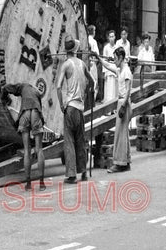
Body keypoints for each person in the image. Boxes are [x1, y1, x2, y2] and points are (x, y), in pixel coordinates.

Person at [56, 35, 94, 184]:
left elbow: (58, 86)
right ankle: (83, 172)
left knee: (69, 141)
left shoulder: (66, 64)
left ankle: (72, 175)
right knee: (81, 140)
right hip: (80, 108)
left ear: (67, 51)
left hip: (70, 107)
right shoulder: (82, 64)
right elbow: (92, 81)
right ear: (76, 50)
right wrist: (86, 92)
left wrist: (61, 104)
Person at [2, 83, 46, 191]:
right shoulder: (37, 93)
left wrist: (5, 99)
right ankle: (41, 183)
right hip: (35, 113)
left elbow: (6, 88)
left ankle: (28, 183)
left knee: (27, 150)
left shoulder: (23, 86)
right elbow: (40, 110)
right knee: (39, 149)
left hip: (25, 113)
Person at [97, 46, 132, 173]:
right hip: (122, 101)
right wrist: (98, 58)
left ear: (121, 58)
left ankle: (119, 163)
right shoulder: (119, 70)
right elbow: (108, 66)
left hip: (124, 102)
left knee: (120, 135)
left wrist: (123, 107)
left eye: (116, 58)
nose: (114, 61)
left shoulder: (126, 71)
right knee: (123, 134)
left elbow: (128, 90)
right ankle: (126, 162)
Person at [102, 29, 118, 102]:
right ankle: (108, 110)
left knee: (115, 90)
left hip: (115, 70)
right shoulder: (106, 47)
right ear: (108, 38)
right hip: (108, 71)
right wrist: (104, 72)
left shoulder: (117, 47)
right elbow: (104, 60)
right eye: (110, 36)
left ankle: (114, 108)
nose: (111, 38)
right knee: (108, 91)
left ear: (115, 37)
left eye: (113, 36)